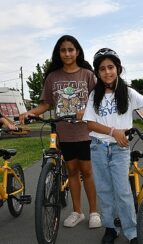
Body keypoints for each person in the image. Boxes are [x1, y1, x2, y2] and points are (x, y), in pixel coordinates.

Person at [83, 48, 143, 244]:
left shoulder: (127, 93)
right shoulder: (94, 96)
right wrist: (113, 132)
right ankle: (111, 228)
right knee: (104, 190)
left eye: (110, 67)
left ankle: (132, 232)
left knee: (123, 191)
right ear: (97, 73)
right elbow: (90, 124)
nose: (107, 72)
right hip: (98, 147)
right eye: (102, 69)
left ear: (118, 69)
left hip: (120, 150)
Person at [19, 35, 101, 228]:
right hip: (64, 133)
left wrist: (86, 112)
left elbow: (98, 102)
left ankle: (94, 212)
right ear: (58, 53)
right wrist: (30, 112)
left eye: (71, 49)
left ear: (78, 51)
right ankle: (77, 212)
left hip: (86, 132)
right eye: (63, 50)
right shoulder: (52, 77)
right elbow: (46, 104)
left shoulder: (88, 75)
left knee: (87, 172)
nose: (67, 53)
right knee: (72, 172)